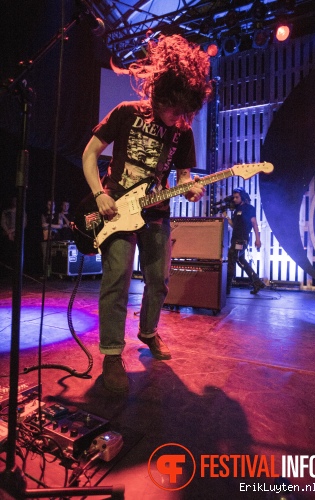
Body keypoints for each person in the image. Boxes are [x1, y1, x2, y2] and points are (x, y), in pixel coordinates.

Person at [82, 34, 212, 393]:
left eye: (184, 111)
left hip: (156, 212)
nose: (177, 117)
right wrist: (99, 195)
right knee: (117, 278)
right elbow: (89, 154)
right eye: (173, 108)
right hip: (117, 209)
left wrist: (193, 188)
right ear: (161, 93)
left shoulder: (182, 132)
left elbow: (185, 178)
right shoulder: (125, 112)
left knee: (159, 280)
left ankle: (149, 331)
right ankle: (111, 354)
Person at [224, 187, 266, 295]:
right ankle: (257, 282)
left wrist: (258, 239)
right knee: (240, 259)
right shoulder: (237, 210)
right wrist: (226, 217)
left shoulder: (249, 208)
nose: (234, 199)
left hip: (242, 239)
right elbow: (234, 225)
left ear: (242, 197)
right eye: (234, 197)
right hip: (235, 239)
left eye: (237, 197)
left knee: (232, 258)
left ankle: (226, 289)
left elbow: (254, 224)